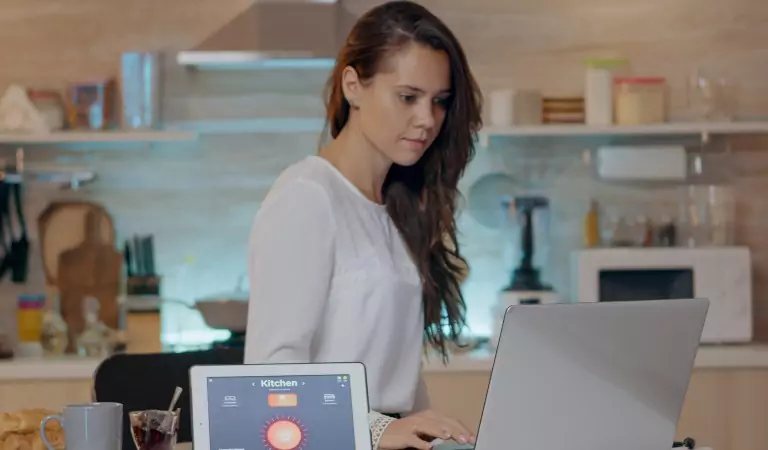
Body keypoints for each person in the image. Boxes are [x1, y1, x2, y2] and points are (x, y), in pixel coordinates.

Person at [244, 1, 483, 449]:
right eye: (408, 97)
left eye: (439, 102)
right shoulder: (306, 196)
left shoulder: (399, 208)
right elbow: (272, 376)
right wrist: (377, 429)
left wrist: (433, 434)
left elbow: (397, 382)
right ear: (353, 86)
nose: (427, 119)